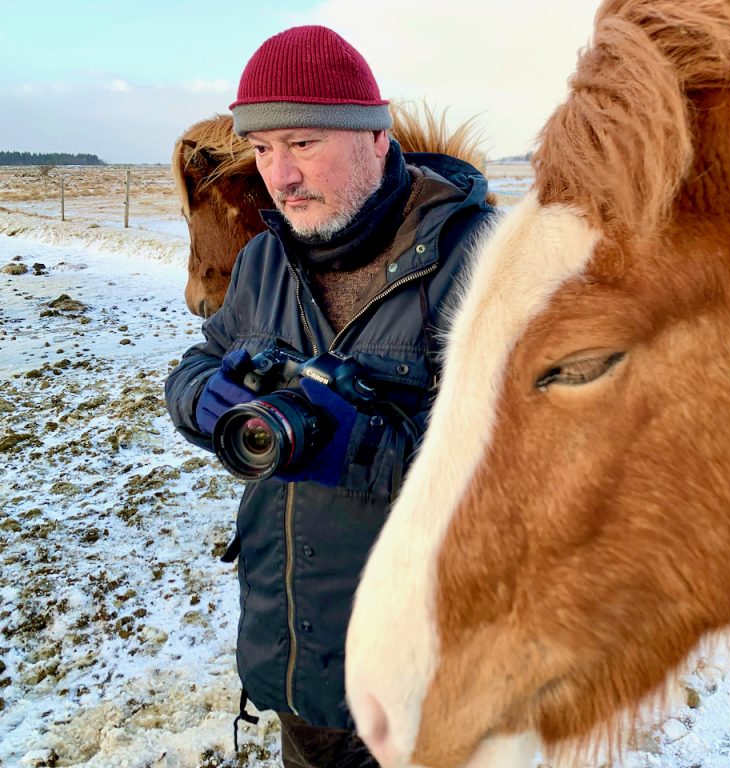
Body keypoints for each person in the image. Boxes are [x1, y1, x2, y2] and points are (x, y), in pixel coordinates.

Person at [164, 25, 496, 767]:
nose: (279, 176)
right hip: (300, 657)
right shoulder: (264, 260)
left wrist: (369, 448)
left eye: (303, 142)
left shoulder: (480, 262)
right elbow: (198, 360)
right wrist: (206, 399)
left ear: (377, 137)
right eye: (262, 149)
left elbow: (542, 475)